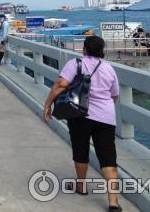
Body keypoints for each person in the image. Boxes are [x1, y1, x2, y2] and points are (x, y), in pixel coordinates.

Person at [43, 36, 121, 211]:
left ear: (84, 49)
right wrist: (104, 109)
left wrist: (48, 104)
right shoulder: (109, 68)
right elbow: (114, 94)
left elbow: (60, 85)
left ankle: (82, 186)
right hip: (106, 117)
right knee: (108, 156)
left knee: (80, 150)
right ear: (102, 50)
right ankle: (114, 201)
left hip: (80, 115)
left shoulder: (75, 63)